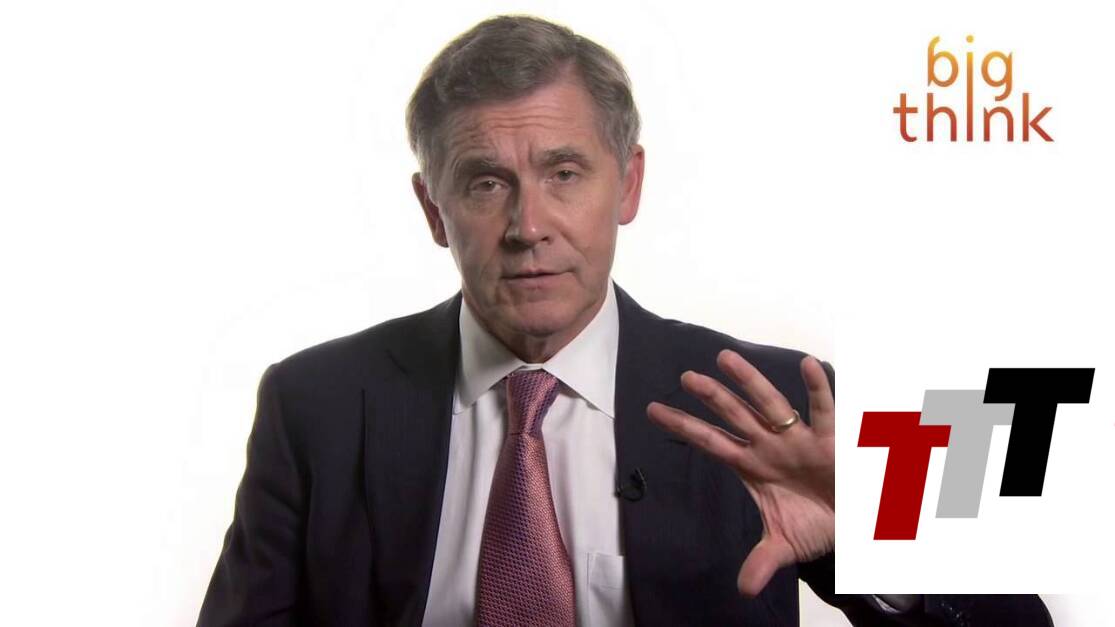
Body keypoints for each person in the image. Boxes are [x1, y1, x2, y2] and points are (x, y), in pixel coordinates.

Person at [198, 15, 1052, 627]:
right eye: (486, 183)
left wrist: (861, 541)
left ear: (628, 184)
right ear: (433, 209)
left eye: (564, 173)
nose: (528, 225)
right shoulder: (315, 403)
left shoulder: (779, 402)